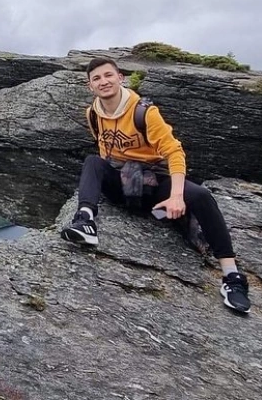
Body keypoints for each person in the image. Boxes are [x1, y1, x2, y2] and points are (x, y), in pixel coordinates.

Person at [59, 56, 252, 313]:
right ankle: (85, 220)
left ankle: (232, 277)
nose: (103, 81)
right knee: (93, 162)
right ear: (90, 86)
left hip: (152, 181)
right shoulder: (93, 113)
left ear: (120, 78)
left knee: (201, 196)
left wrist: (176, 196)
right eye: (96, 78)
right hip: (122, 181)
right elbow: (105, 151)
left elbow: (174, 152)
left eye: (108, 75)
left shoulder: (144, 112)